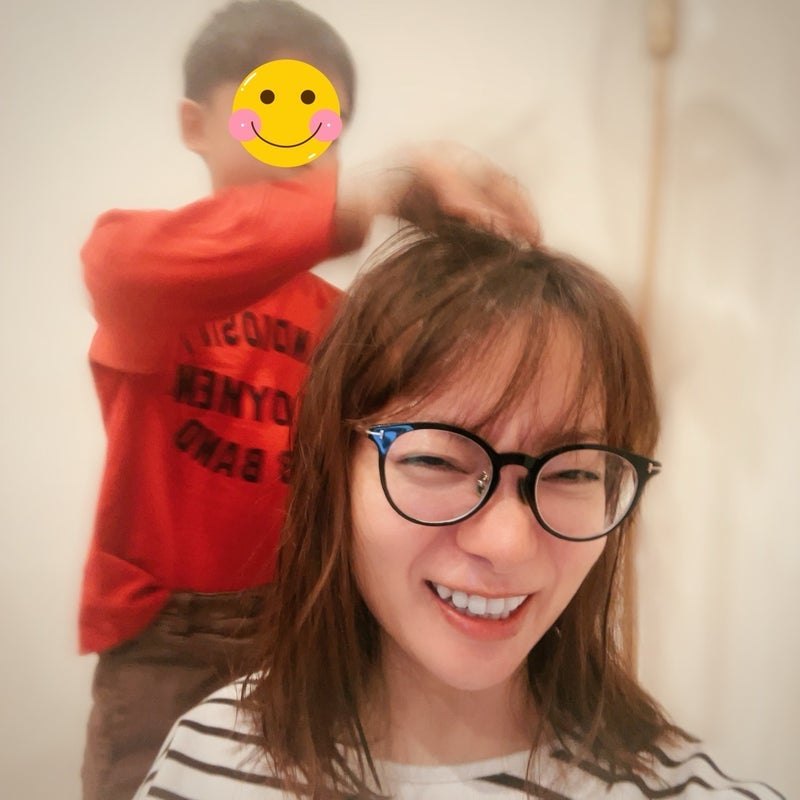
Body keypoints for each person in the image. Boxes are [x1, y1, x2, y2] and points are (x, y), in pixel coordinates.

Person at [132, 210, 784, 799]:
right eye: (437, 461)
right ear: (334, 472)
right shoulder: (209, 758)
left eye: (573, 473)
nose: (507, 544)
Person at [78, 1, 538, 798]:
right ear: (194, 125)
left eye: (323, 120)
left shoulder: (339, 319)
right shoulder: (143, 276)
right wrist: (371, 195)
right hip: (166, 637)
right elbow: (126, 267)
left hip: (300, 618)